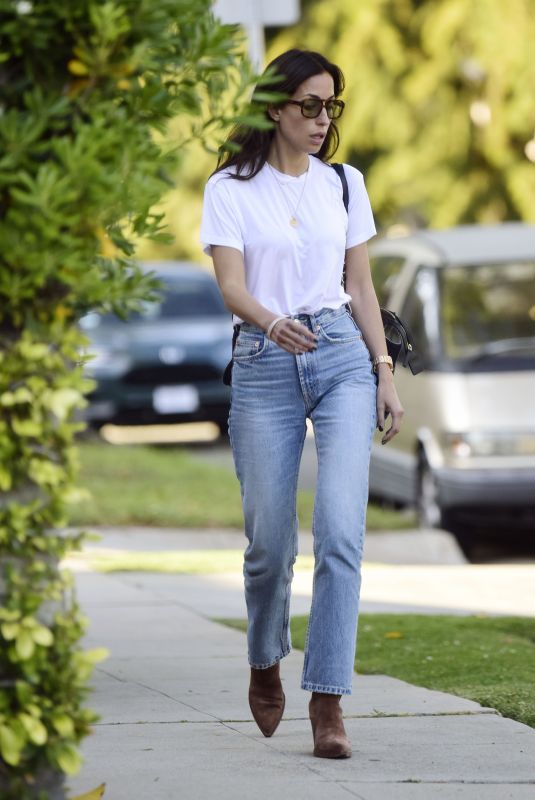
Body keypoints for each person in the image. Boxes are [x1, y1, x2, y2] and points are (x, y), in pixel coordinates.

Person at [201, 48, 403, 759]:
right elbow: (229, 283)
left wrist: (382, 369)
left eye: (330, 107)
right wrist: (267, 320)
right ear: (274, 108)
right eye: (309, 105)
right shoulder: (228, 187)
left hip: (342, 355)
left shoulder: (343, 184)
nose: (322, 120)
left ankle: (327, 701)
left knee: (342, 534)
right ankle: (264, 659)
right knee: (269, 546)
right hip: (262, 359)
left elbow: (363, 285)